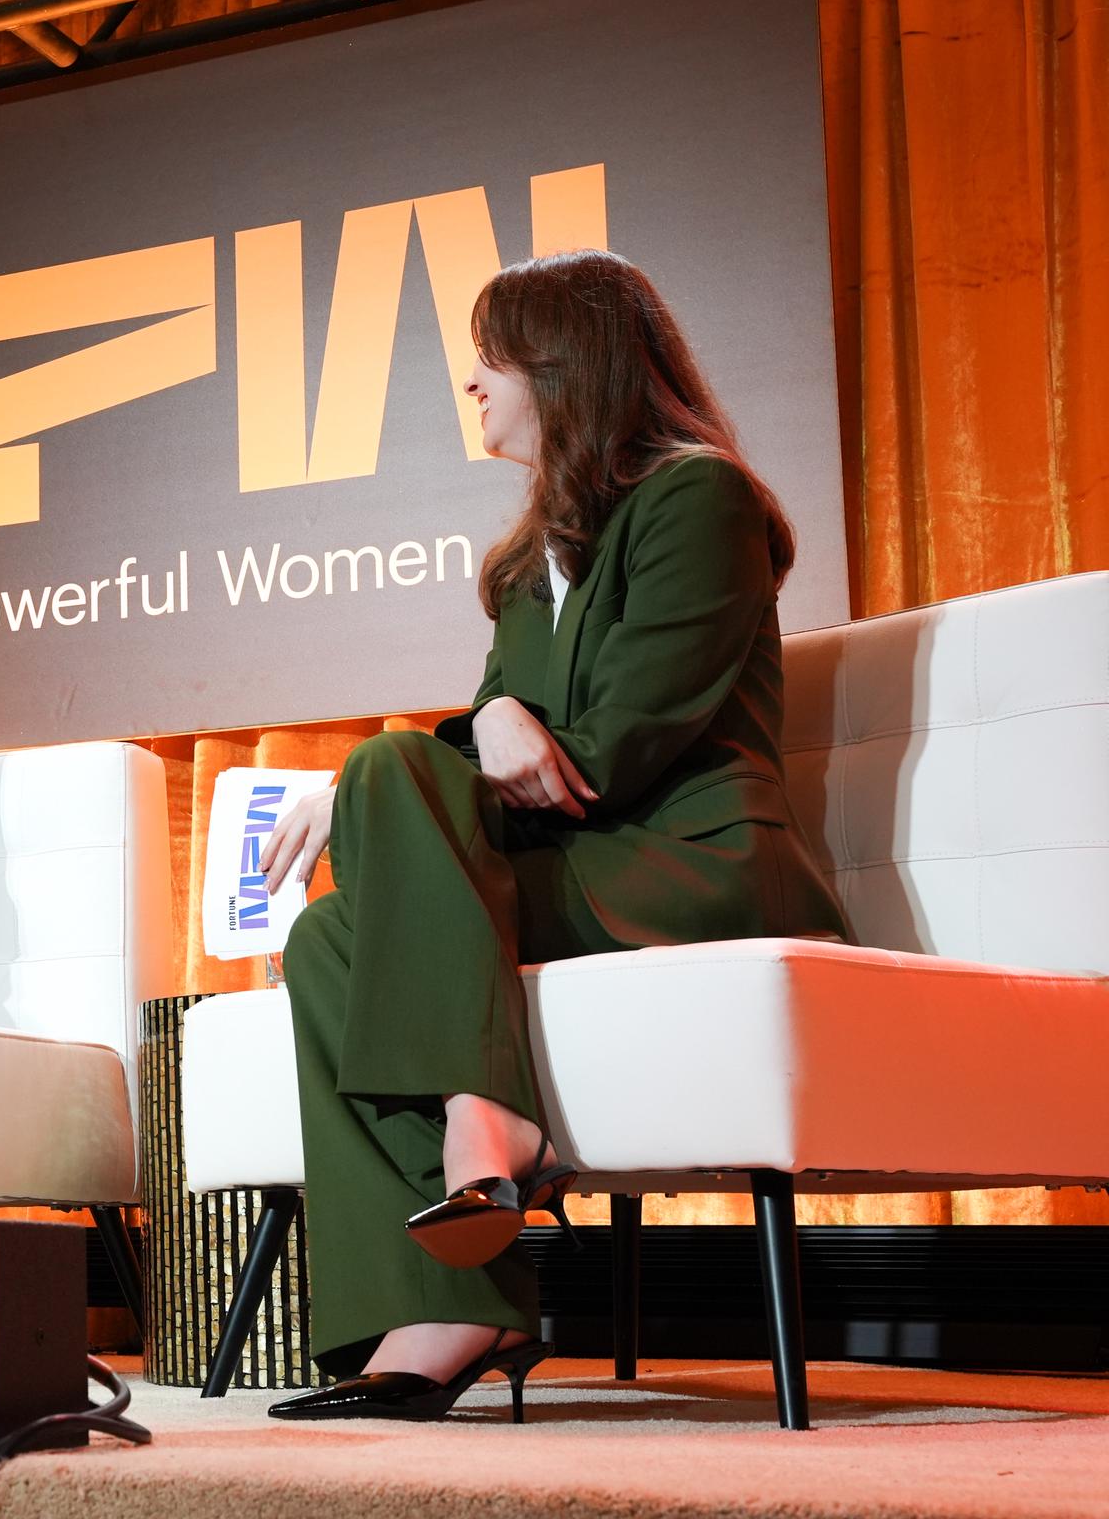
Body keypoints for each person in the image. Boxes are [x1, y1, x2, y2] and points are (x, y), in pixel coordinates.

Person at [254, 251, 849, 1423]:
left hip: (691, 864)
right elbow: (500, 742)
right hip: (578, 868)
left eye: (492, 356)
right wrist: (485, 720)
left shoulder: (700, 499)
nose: (472, 384)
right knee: (328, 935)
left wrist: (461, 740)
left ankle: (494, 1119)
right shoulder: (527, 568)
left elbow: (613, 746)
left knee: (386, 765)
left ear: (568, 361)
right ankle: (447, 1306)